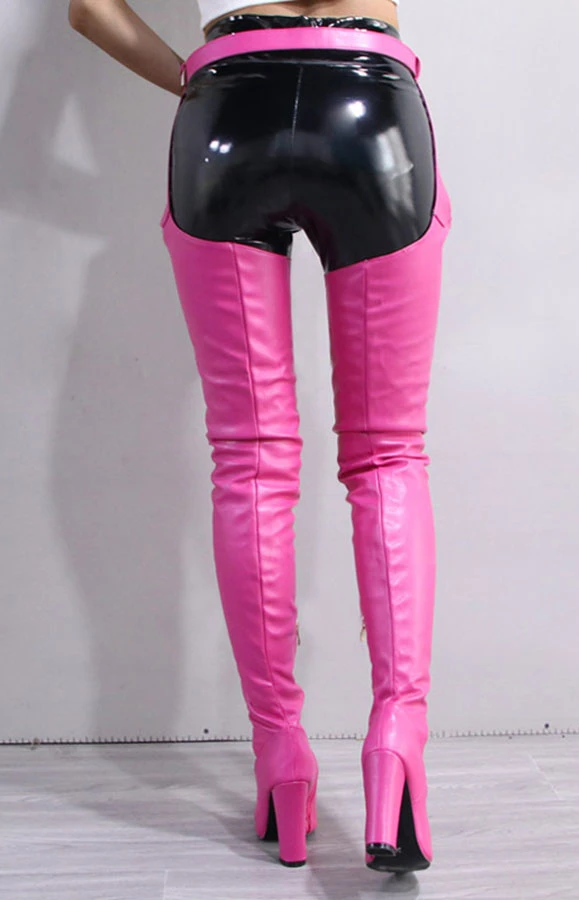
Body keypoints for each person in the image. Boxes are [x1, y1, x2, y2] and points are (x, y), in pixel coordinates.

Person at [68, 0, 452, 873]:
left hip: (225, 115)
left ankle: (281, 753)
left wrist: (197, 79)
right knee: (387, 451)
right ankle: (397, 744)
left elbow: (90, 9)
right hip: (368, 112)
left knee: (249, 459)